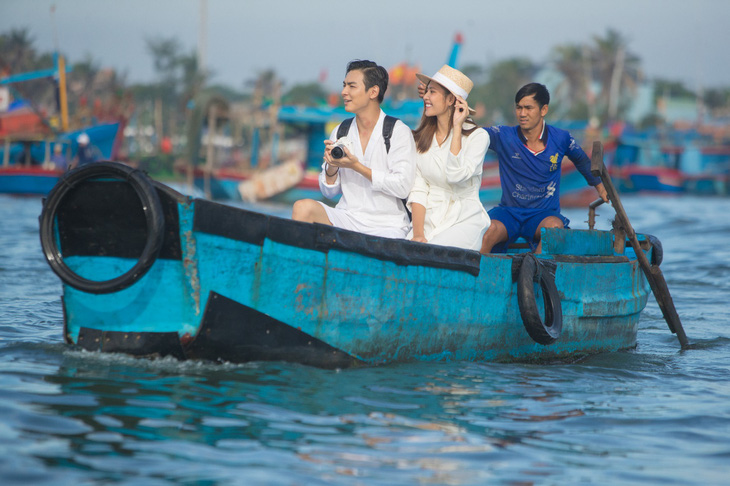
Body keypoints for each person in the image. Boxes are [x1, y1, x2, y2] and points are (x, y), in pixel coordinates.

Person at [291, 60, 416, 238]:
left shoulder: (397, 131)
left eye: (352, 86)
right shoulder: (341, 130)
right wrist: (332, 166)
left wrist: (356, 166)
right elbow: (328, 192)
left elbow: (402, 186)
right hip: (347, 216)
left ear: (373, 91)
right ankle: (299, 264)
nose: (344, 92)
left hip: (387, 224)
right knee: (302, 208)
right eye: (344, 86)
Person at [479, 83, 608, 254]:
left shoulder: (561, 138)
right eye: (518, 108)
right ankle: (478, 275)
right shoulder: (503, 135)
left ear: (543, 110)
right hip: (509, 212)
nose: (522, 113)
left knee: (555, 228)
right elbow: (474, 135)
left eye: (528, 108)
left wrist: (600, 187)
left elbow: (582, 160)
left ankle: (534, 273)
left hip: (542, 215)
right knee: (486, 231)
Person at [407, 65, 490, 251]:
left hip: (464, 219)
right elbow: (419, 188)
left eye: (432, 92)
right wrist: (418, 234)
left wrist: (458, 127)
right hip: (429, 218)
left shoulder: (478, 137)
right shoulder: (421, 139)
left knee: (432, 252)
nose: (425, 97)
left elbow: (455, 175)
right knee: (407, 251)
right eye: (427, 91)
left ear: (451, 99)